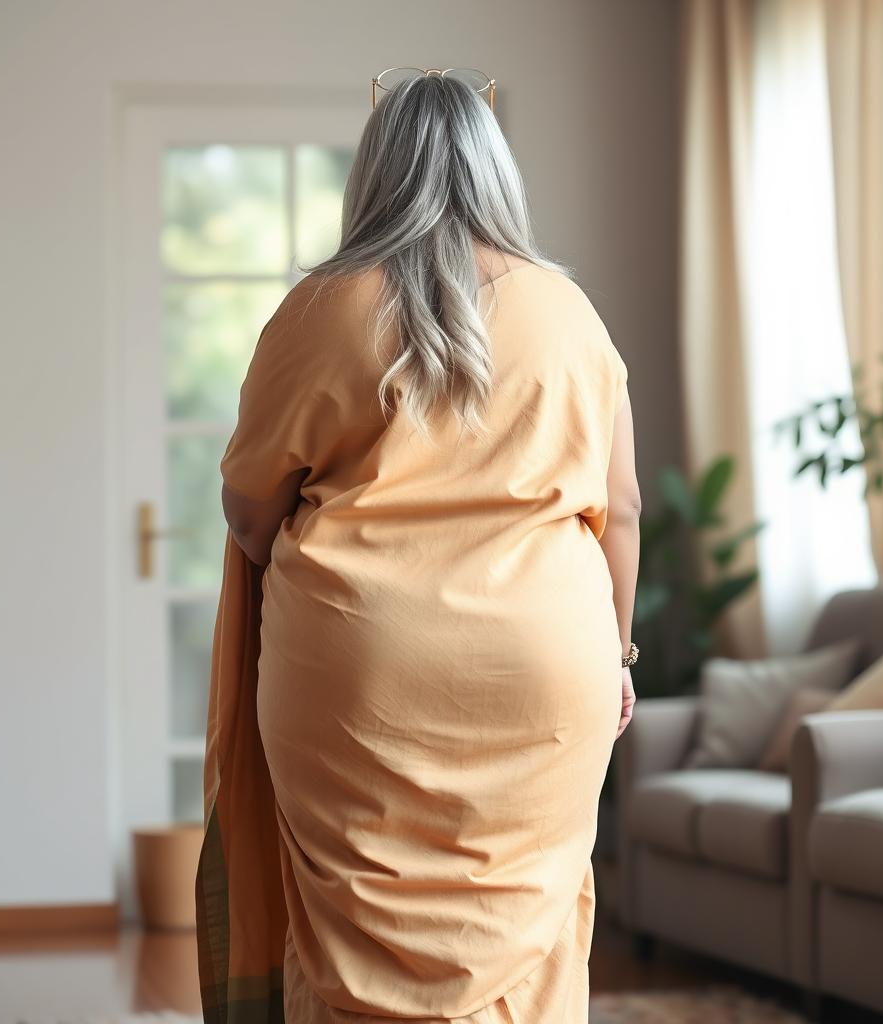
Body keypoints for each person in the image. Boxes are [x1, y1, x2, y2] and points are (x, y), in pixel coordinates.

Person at [197, 70, 641, 1024]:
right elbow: (623, 510)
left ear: (376, 172)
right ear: (496, 172)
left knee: (349, 923)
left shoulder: (323, 309)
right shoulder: (572, 315)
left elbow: (246, 513)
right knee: (534, 925)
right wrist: (619, 653)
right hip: (549, 666)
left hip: (359, 672)